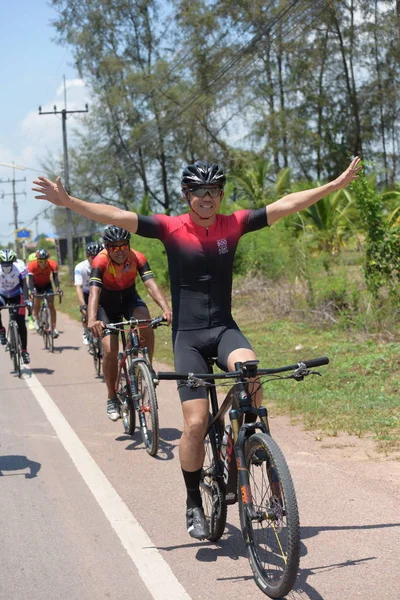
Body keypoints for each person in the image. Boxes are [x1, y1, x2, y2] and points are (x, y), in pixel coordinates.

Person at [33, 156, 361, 538]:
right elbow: (119, 215)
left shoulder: (234, 224)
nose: (206, 198)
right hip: (188, 337)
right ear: (187, 194)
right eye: (198, 191)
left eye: (213, 191)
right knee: (194, 423)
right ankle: (193, 502)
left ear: (221, 194)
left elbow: (286, 204)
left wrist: (333, 186)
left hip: (224, 330)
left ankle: (253, 446)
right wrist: (70, 202)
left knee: (250, 371)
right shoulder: (171, 228)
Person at [87, 225, 172, 421]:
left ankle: (147, 368)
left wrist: (166, 309)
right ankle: (111, 397)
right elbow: (94, 292)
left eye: (124, 246)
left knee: (145, 320)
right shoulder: (100, 261)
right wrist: (92, 318)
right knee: (109, 350)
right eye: (114, 248)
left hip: (129, 299)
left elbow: (150, 284)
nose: (120, 251)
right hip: (106, 306)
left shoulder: (137, 257)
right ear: (107, 248)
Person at [0, 249, 31, 364]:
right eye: (4, 264)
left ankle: (24, 351)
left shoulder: (20, 267)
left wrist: (27, 299)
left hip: (16, 294)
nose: (7, 266)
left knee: (21, 322)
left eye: (9, 264)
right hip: (2, 294)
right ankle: (1, 330)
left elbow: (24, 284)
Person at [74, 241, 103, 345]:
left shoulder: (105, 264)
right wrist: (82, 305)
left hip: (101, 291)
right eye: (92, 257)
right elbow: (78, 287)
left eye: (98, 256)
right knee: (86, 312)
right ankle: (86, 332)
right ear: (87, 256)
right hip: (86, 292)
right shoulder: (80, 267)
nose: (95, 259)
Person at [27, 249, 61, 338]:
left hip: (47, 285)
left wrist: (57, 288)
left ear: (48, 260)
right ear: (37, 260)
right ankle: (37, 320)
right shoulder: (32, 265)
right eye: (41, 261)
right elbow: (30, 281)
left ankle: (53, 328)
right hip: (36, 285)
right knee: (37, 301)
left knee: (51, 305)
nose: (43, 263)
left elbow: (55, 278)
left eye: (45, 261)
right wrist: (31, 291)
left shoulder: (52, 264)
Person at [26, 251, 38, 330]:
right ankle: (30, 320)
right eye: (32, 261)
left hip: (39, 286)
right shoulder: (28, 269)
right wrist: (30, 291)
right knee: (30, 301)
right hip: (30, 286)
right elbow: (27, 282)